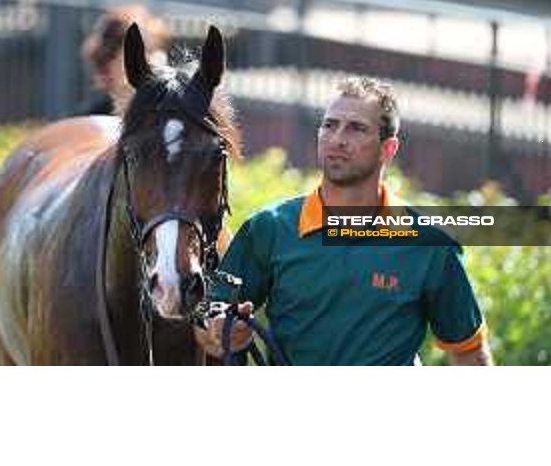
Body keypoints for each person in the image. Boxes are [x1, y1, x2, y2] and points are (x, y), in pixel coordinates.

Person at [195, 76, 493, 365]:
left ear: (388, 149)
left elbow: (468, 353)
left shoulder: (430, 245)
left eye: (356, 129)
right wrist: (218, 329)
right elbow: (207, 315)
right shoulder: (269, 229)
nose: (337, 140)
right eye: (329, 125)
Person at [78, 4, 171, 115]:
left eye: (158, 48)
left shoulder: (181, 117)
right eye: (143, 50)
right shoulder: (85, 126)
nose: (155, 60)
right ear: (108, 63)